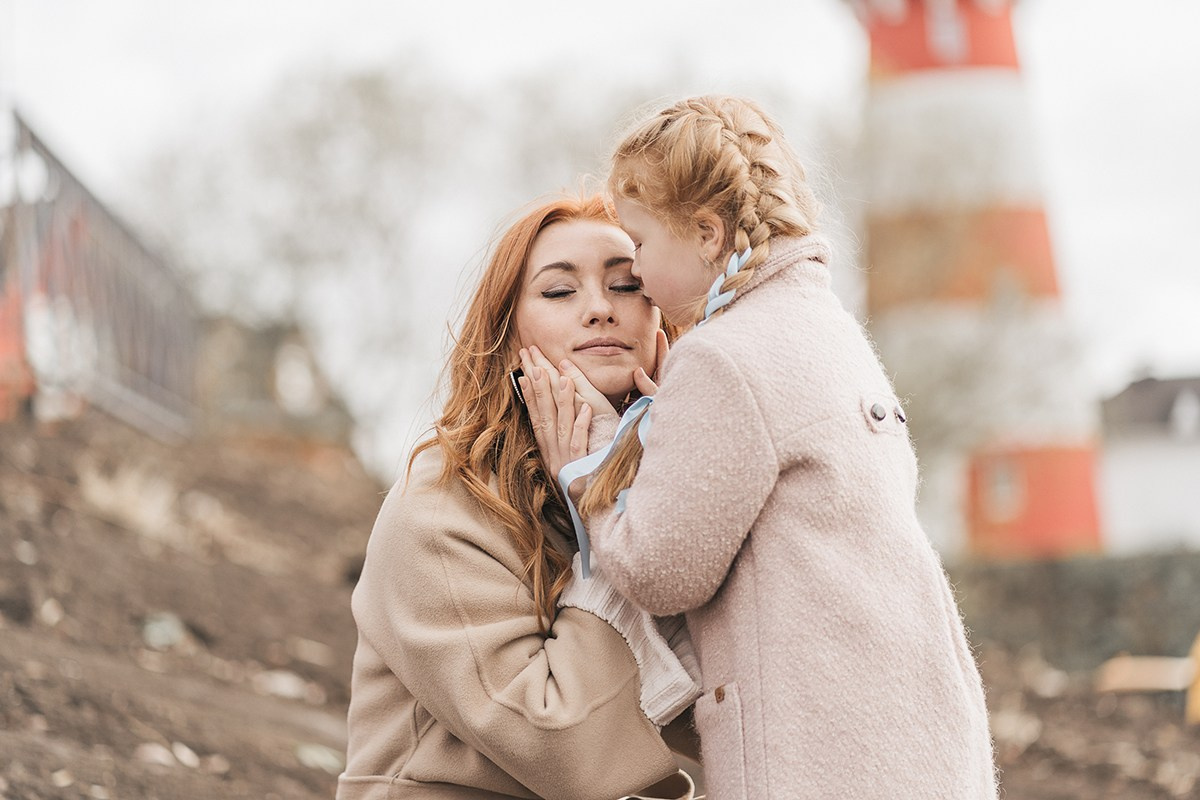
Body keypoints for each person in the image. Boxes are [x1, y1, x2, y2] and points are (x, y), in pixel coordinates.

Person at [525, 96, 999, 799]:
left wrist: (585, 464)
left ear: (707, 234)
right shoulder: (829, 331)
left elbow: (660, 570)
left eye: (639, 249)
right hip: (917, 736)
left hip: (819, 756)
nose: (639, 278)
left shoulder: (721, 357)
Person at [336, 194, 702, 800]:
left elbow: (738, 698)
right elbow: (562, 747)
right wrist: (606, 511)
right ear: (507, 338)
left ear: (660, 322)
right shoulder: (442, 503)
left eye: (627, 285)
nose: (600, 309)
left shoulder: (669, 488)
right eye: (559, 291)